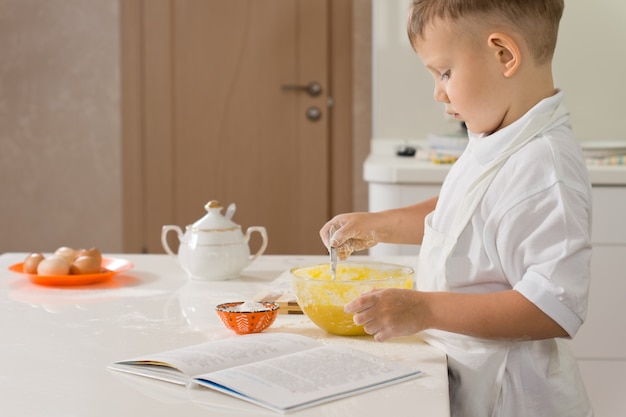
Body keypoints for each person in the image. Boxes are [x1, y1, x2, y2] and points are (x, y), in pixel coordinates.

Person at [320, 1, 593, 416]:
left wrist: (425, 309)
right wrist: (379, 226)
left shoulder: (546, 167)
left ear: (504, 55)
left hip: (513, 399)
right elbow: (462, 213)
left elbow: (552, 307)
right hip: (470, 380)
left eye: (445, 72)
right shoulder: (500, 136)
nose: (438, 92)